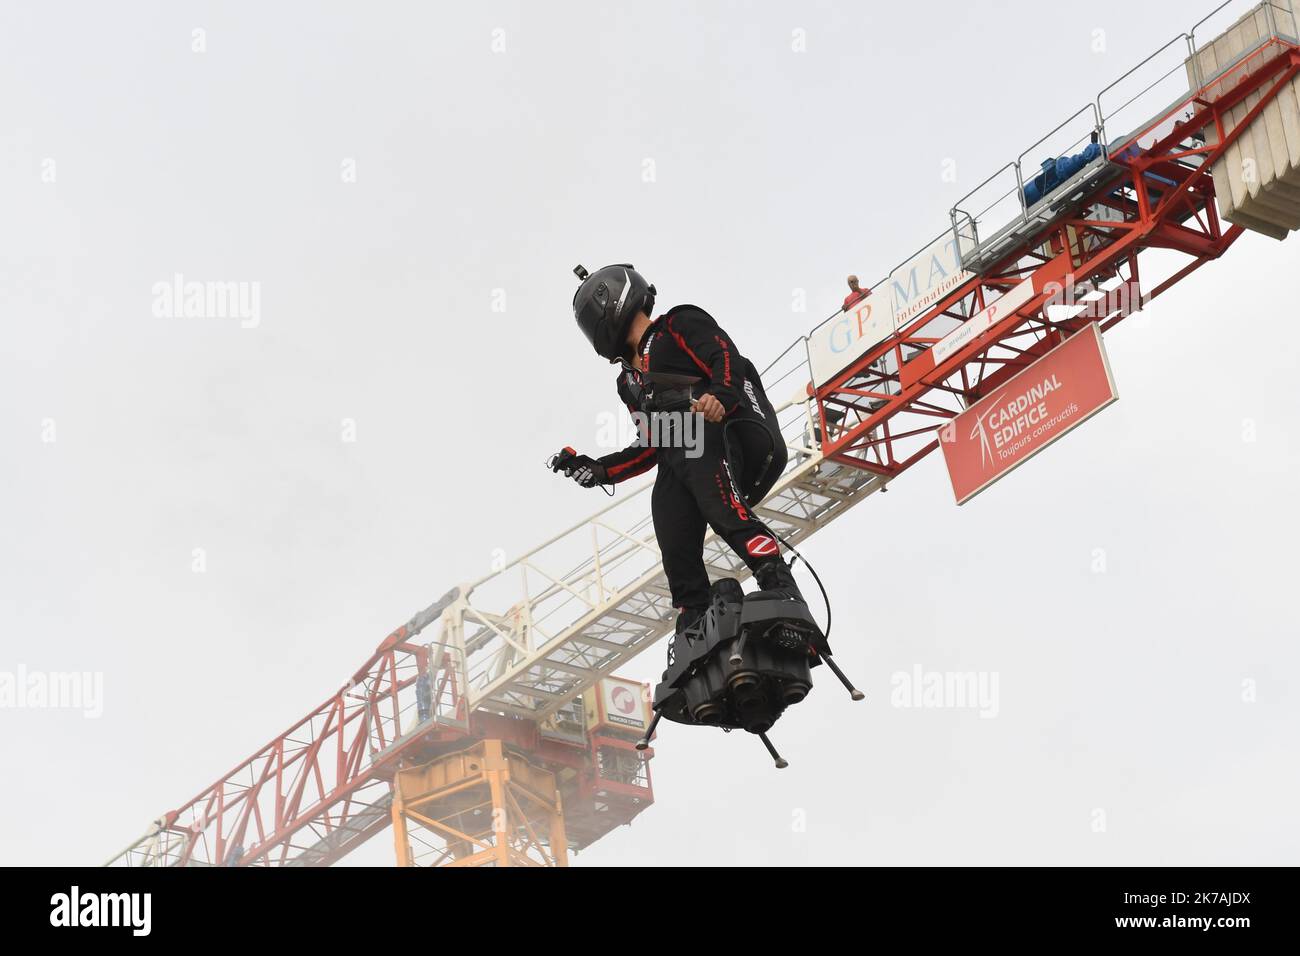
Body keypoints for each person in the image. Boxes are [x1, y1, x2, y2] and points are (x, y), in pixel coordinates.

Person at [552, 263, 803, 646]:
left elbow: (726, 358)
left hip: (736, 431)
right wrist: (599, 470)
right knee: (666, 506)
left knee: (692, 445)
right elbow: (651, 444)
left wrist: (720, 395)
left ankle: (776, 579)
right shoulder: (628, 383)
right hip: (687, 451)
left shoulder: (676, 325)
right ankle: (694, 618)